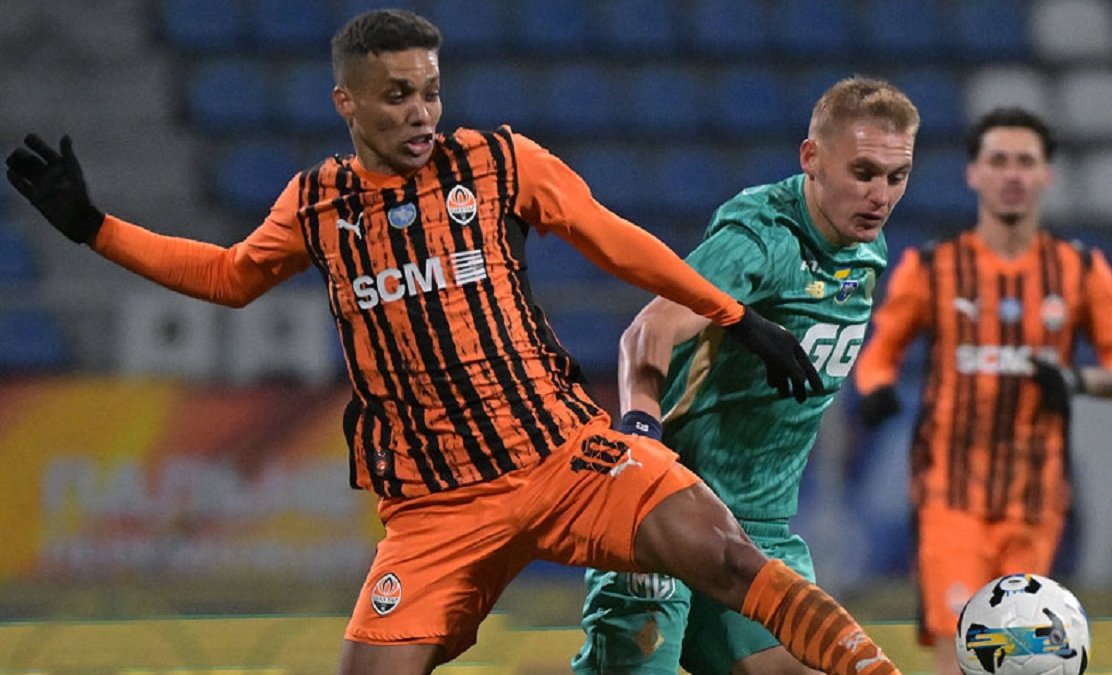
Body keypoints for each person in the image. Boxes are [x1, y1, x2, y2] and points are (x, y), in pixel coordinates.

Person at [5, 10, 902, 675]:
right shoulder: (317, 203)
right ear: (348, 102)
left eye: (430, 90)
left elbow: (617, 242)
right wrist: (95, 228)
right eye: (398, 95)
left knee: (727, 550)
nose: (421, 111)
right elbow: (228, 275)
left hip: (564, 455)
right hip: (437, 505)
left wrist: (736, 316)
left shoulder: (500, 162)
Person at [571, 77, 919, 675]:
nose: (880, 195)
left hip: (759, 531)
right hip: (672, 517)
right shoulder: (761, 237)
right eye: (863, 172)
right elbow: (647, 332)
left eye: (897, 176)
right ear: (811, 157)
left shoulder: (866, 248)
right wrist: (641, 445)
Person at [852, 107, 1112, 675]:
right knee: (960, 640)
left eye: (1025, 162)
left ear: (1045, 175)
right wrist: (877, 388)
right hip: (949, 493)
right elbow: (881, 352)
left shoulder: (1079, 269)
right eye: (999, 160)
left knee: (1026, 652)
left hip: (1035, 498)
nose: (1012, 174)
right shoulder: (934, 266)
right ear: (974, 173)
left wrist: (1076, 380)